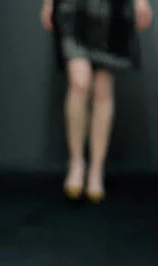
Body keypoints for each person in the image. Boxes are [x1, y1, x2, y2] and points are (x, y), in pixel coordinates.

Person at [41, 0, 154, 200]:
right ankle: (76, 162)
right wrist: (49, 3)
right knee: (79, 84)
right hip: (72, 8)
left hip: (112, 10)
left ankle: (96, 170)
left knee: (103, 90)